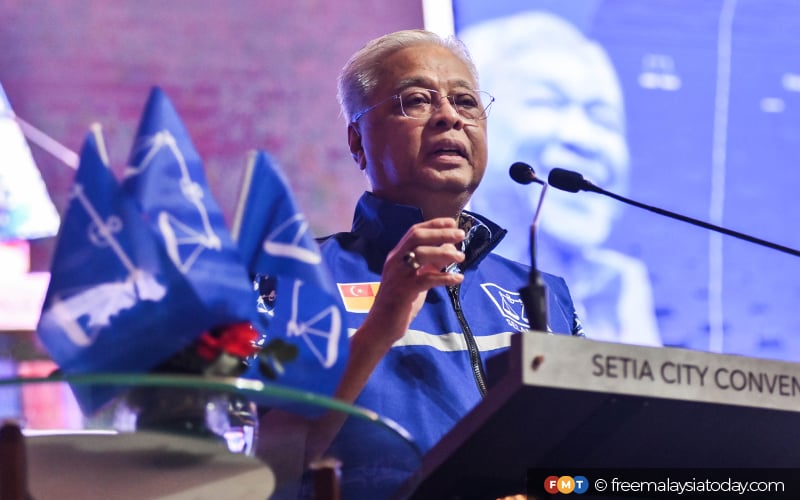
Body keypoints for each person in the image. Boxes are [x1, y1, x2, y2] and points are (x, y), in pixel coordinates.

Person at [263, 28, 583, 498]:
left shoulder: (546, 295)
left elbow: (585, 459)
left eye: (466, 102)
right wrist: (380, 327)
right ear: (357, 142)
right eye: (416, 100)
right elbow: (259, 467)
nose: (450, 117)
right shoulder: (290, 280)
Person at [458, 11, 662, 347]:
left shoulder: (622, 297)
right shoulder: (432, 274)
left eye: (603, 117)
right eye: (548, 102)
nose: (584, 138)